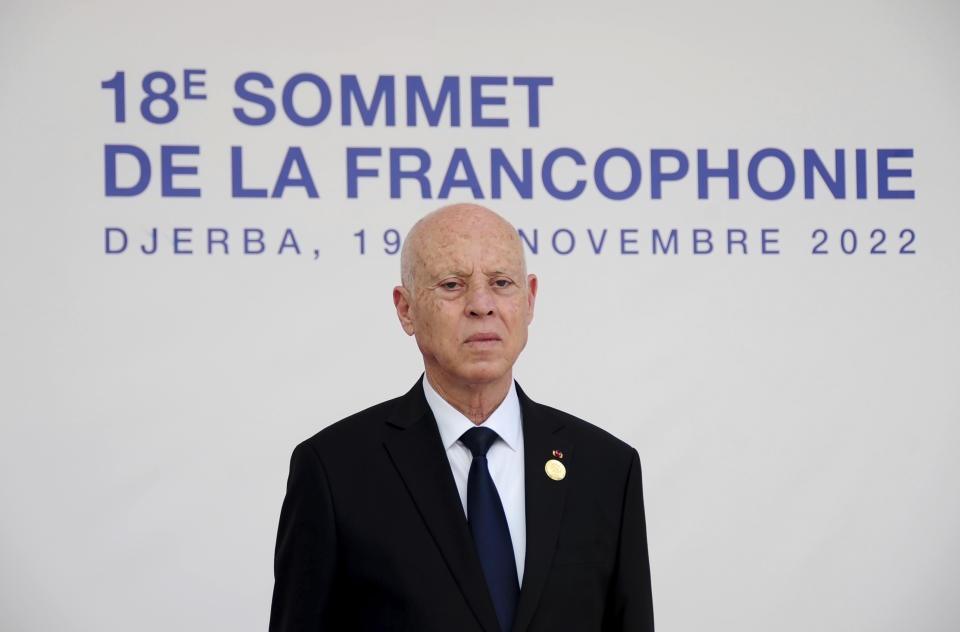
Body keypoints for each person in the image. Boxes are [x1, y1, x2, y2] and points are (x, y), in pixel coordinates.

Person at [269, 203, 654, 631]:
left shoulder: (606, 468)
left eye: (501, 283)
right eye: (452, 285)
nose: (481, 305)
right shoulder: (334, 471)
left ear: (529, 300)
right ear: (406, 309)